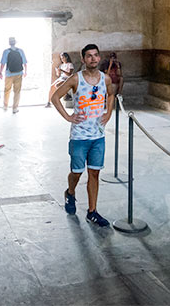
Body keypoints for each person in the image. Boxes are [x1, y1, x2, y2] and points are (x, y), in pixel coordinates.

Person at [51, 43, 115, 228]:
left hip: (98, 136)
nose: (93, 59)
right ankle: (70, 192)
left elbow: (110, 95)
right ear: (83, 59)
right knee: (77, 173)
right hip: (79, 136)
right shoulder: (75, 79)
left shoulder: (106, 79)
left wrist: (108, 113)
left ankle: (92, 212)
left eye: (96, 55)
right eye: (89, 56)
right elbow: (55, 97)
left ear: (99, 57)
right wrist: (68, 117)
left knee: (94, 173)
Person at [0, 36, 27, 113]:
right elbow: (24, 62)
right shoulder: (20, 51)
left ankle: (5, 106)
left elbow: (3, 63)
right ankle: (15, 108)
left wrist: (0, 72)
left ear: (9, 43)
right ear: (15, 42)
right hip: (19, 73)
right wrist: (25, 72)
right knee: (17, 91)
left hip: (9, 74)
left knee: (7, 90)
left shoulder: (6, 51)